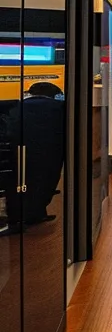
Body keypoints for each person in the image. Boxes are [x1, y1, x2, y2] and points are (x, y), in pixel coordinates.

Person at [6, 82, 66, 227]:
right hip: (49, 153)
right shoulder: (59, 108)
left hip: (17, 154)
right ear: (54, 95)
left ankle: (18, 215)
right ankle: (36, 213)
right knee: (45, 180)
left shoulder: (17, 107)